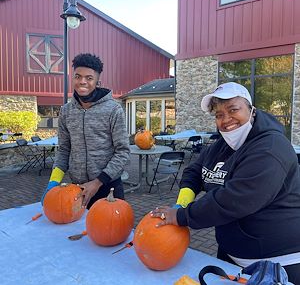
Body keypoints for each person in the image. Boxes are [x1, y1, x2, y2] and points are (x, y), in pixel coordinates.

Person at [151, 82, 300, 283]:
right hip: (231, 259)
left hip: (277, 264)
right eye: (219, 115)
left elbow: (235, 199)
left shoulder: (270, 148)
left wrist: (182, 216)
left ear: (251, 110)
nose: (226, 119)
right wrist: (182, 202)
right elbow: (194, 171)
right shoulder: (222, 144)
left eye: (233, 109)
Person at [41, 53, 130, 209]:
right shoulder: (66, 111)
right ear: (73, 78)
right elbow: (64, 150)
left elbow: (122, 152)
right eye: (78, 76)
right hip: (78, 189)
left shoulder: (114, 110)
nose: (82, 81)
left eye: (89, 78)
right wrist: (53, 182)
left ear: (97, 82)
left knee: (109, 230)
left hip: (108, 188)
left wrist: (97, 182)